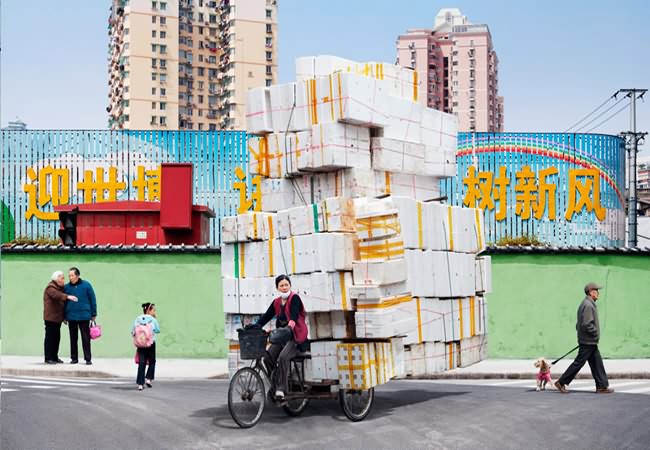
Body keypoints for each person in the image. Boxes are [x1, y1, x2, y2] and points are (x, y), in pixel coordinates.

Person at [254, 274, 308, 401]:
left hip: (295, 336)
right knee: (267, 358)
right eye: (281, 285)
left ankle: (281, 388)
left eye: (286, 285)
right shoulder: (277, 302)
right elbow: (266, 316)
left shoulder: (294, 298)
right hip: (282, 336)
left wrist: (290, 326)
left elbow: (294, 316)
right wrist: (255, 326)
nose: (284, 287)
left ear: (290, 285)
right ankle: (276, 382)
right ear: (277, 288)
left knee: (284, 357)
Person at [555, 282, 614, 394]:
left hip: (589, 341)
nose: (598, 293)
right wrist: (595, 332)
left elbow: (579, 324)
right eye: (597, 291)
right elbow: (586, 324)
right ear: (591, 292)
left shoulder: (587, 303)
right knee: (579, 363)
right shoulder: (588, 305)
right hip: (588, 341)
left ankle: (601, 386)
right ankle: (561, 382)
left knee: (597, 363)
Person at [64, 267, 97, 365]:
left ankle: (88, 358)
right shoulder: (66, 287)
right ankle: (74, 358)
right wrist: (64, 316)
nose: (70, 277)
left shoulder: (86, 285)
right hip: (71, 316)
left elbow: (93, 299)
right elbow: (63, 303)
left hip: (84, 316)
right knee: (73, 338)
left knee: (86, 338)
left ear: (77, 276)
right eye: (69, 275)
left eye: (72, 275)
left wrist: (93, 313)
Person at [43, 271, 78, 364]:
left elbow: (61, 304)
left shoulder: (60, 288)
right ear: (56, 279)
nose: (63, 280)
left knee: (56, 338)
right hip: (50, 318)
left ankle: (54, 356)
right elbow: (56, 296)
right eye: (62, 278)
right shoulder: (50, 287)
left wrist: (64, 317)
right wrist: (68, 297)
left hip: (57, 318)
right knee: (50, 338)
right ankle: (48, 357)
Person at [131, 303, 160, 391]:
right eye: (153, 310)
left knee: (142, 362)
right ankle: (148, 378)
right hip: (151, 343)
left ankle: (140, 383)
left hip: (140, 344)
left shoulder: (137, 319)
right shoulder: (152, 320)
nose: (154, 312)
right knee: (152, 361)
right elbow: (158, 330)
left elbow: (132, 331)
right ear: (149, 310)